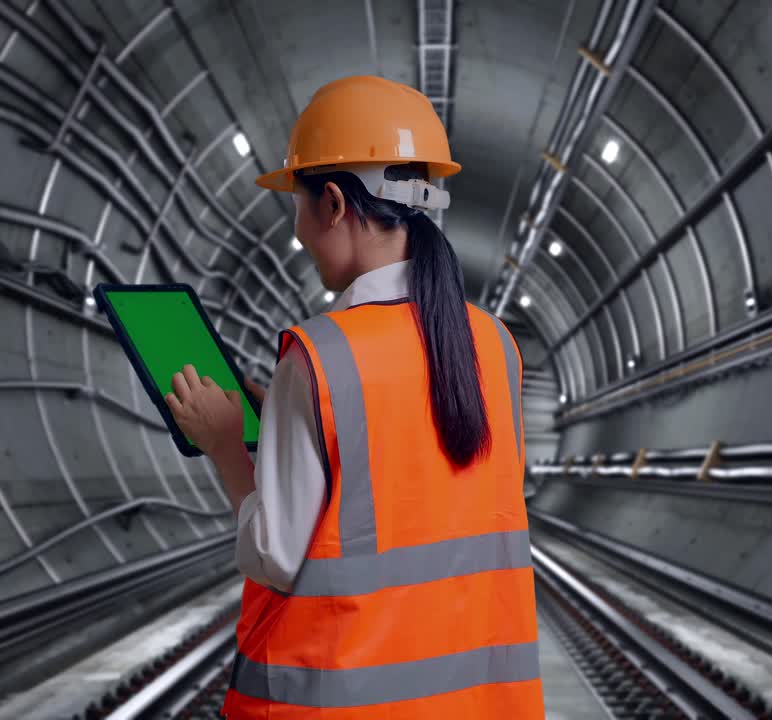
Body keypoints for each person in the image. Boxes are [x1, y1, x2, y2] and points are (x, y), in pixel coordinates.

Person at [165, 75, 544, 718]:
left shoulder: (317, 356)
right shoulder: (494, 344)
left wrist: (230, 446)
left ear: (334, 203)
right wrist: (290, 425)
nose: (299, 231)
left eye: (300, 204)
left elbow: (274, 556)